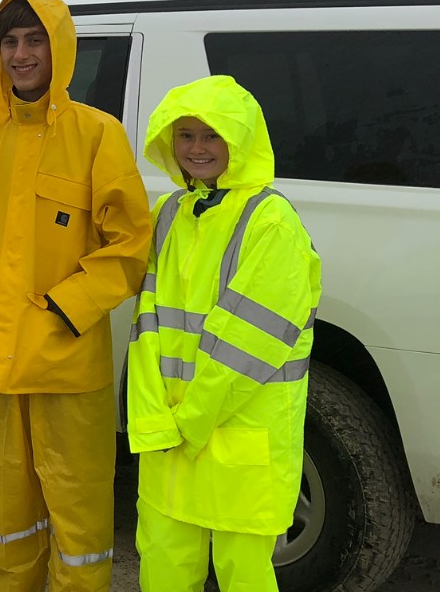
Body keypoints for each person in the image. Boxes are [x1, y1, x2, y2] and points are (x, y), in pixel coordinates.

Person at [0, 0, 153, 591]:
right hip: (0, 362)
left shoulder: (97, 134)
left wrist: (67, 308)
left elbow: (129, 244)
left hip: (67, 364)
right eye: (9, 42)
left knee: (78, 517)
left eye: (34, 40)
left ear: (58, 48)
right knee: (7, 517)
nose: (21, 54)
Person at [127, 75, 320, 591]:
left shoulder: (271, 221)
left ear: (240, 140)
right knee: (163, 569)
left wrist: (184, 423)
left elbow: (249, 344)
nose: (197, 149)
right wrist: (153, 417)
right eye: (185, 135)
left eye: (211, 136)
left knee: (244, 577)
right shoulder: (171, 213)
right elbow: (147, 325)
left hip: (235, 436)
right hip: (172, 438)